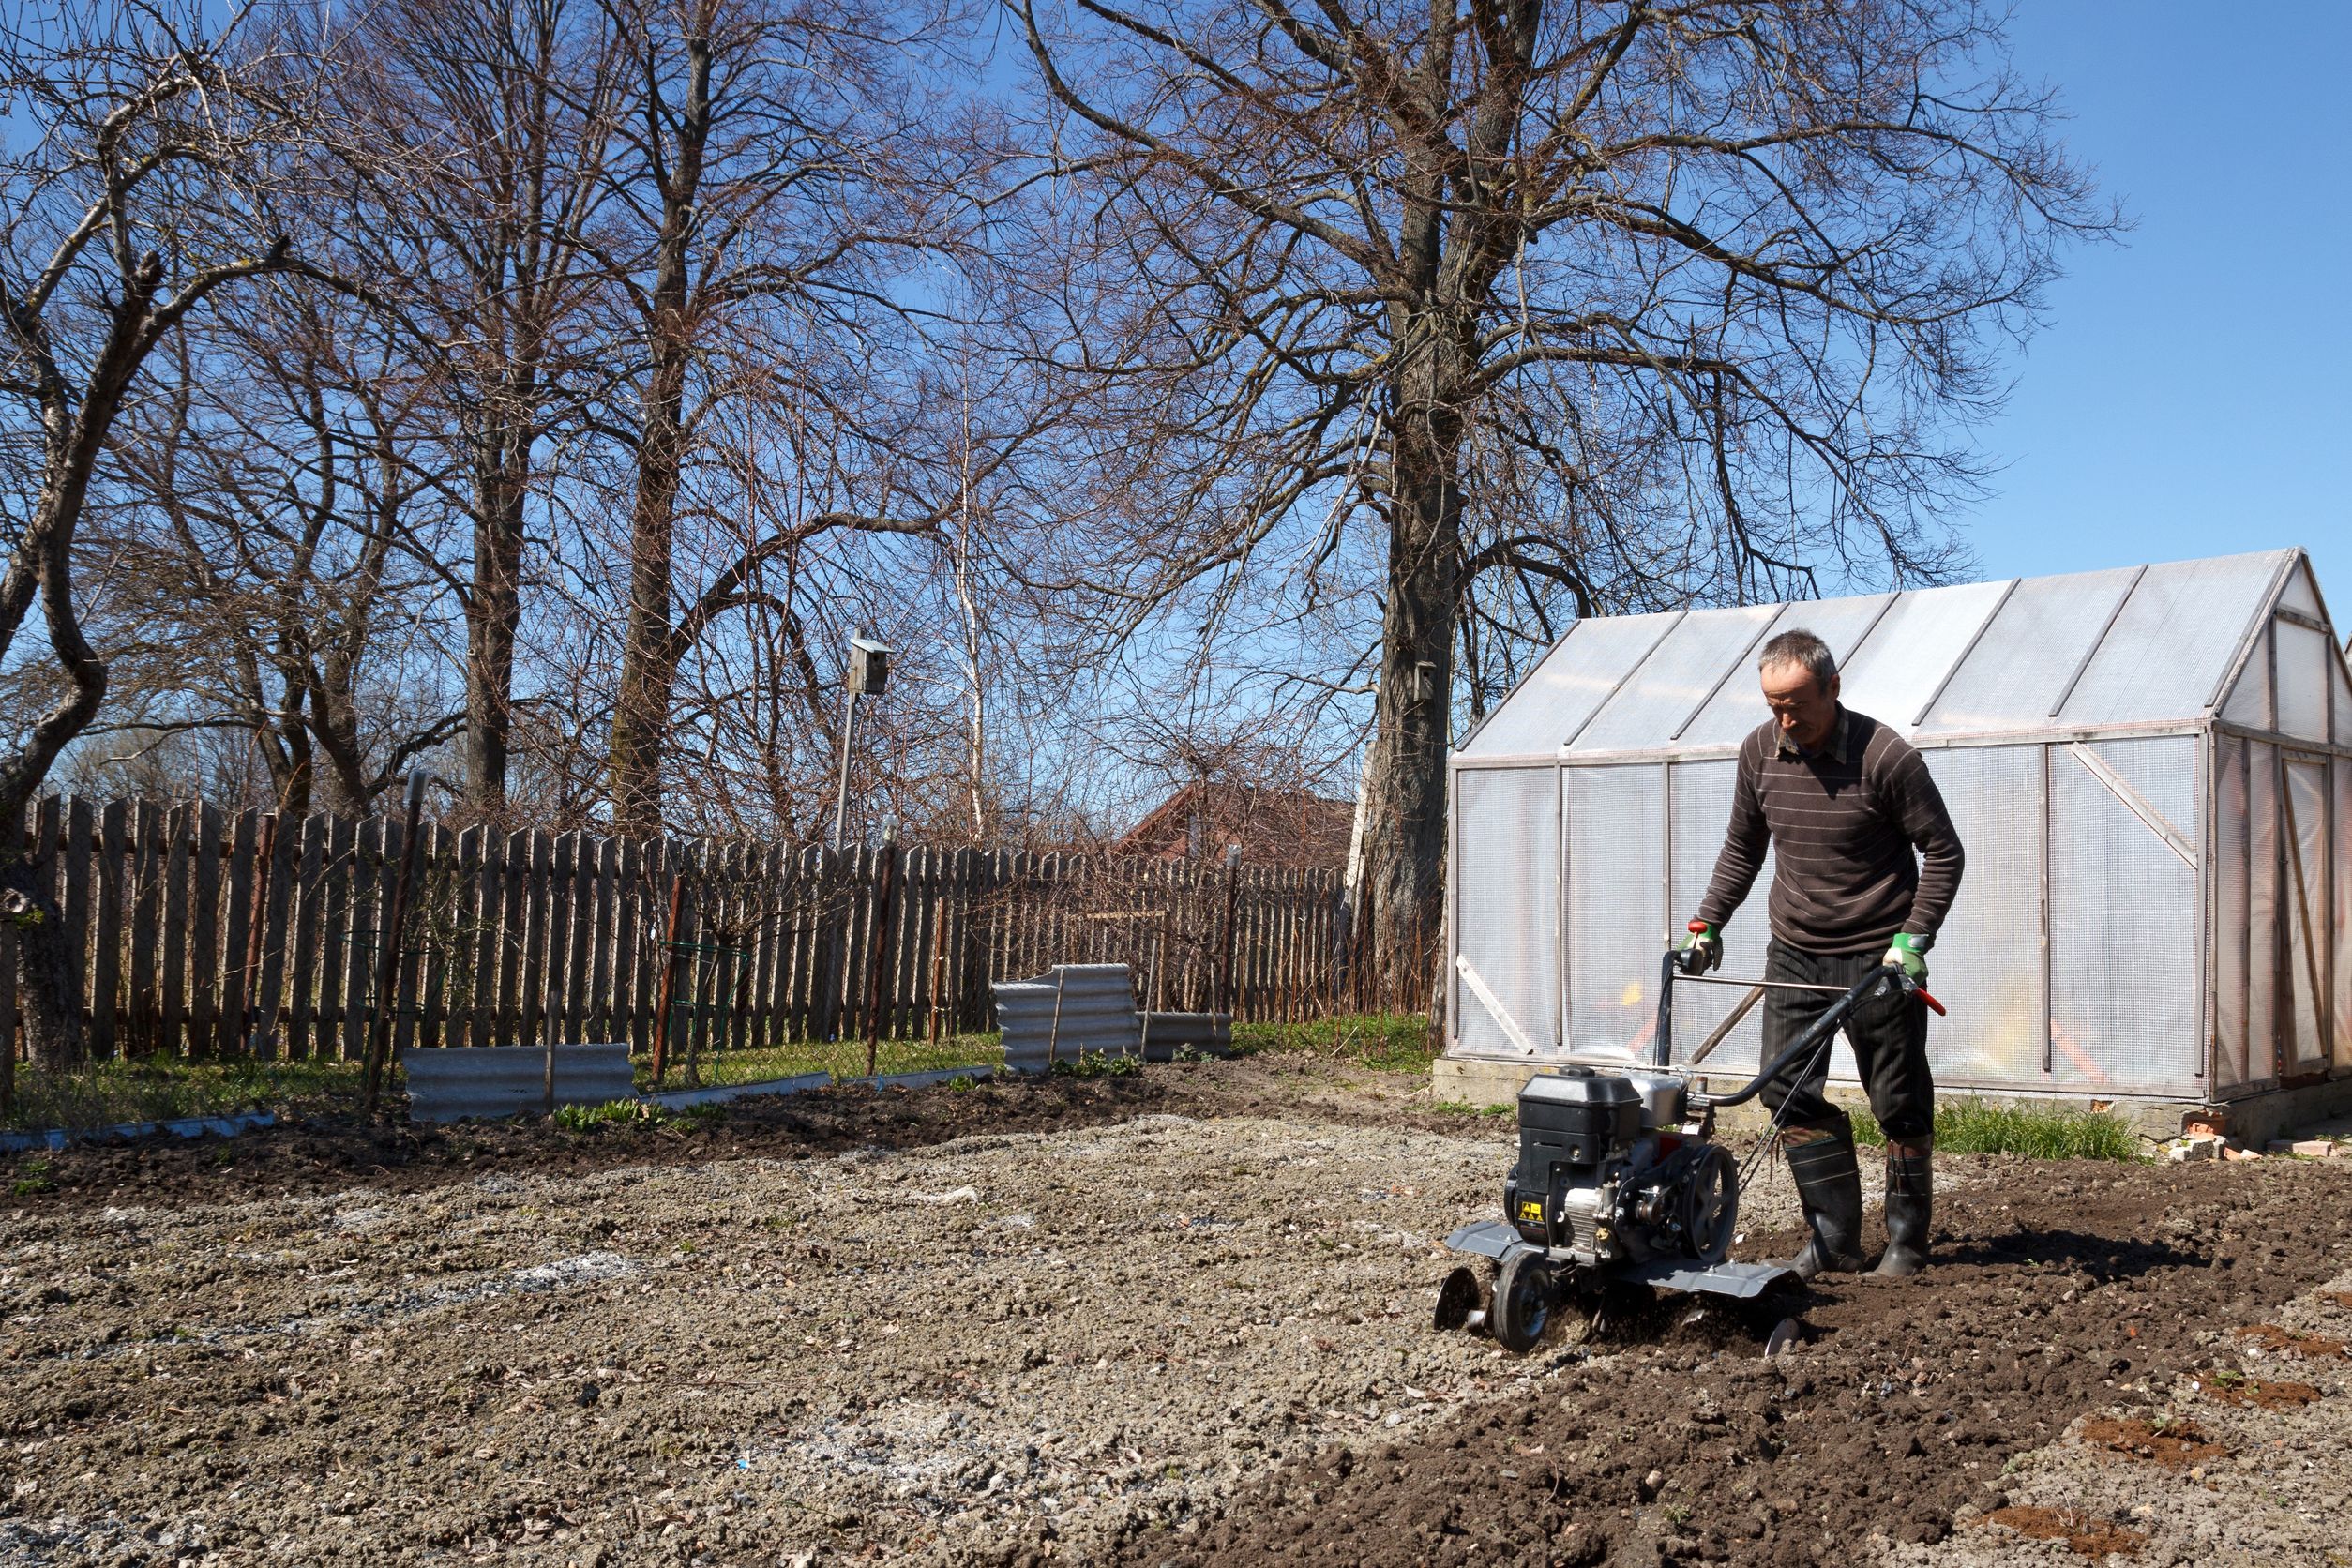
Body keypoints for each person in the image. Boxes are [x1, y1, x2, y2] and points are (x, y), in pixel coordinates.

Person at [1674, 628, 1964, 1279]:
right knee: (1785, 1089)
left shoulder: (1886, 756)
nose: (1784, 718)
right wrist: (1708, 921)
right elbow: (1743, 848)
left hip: (1877, 960)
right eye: (1773, 704)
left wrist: (1912, 941)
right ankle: (1834, 1238)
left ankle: (1907, 1245)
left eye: (1797, 702)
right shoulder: (1759, 752)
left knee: (1898, 1100)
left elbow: (1944, 851)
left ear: (1833, 687)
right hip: (1797, 953)